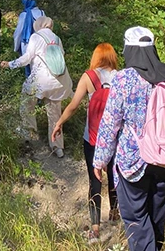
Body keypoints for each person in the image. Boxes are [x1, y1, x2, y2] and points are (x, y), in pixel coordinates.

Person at [93, 27, 165, 251]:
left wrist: (99, 160)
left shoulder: (124, 79)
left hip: (134, 161)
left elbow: (109, 124)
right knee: (156, 214)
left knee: (136, 217)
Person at [51, 43, 120, 242]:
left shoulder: (89, 76)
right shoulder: (121, 76)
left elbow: (73, 106)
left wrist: (59, 123)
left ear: (96, 57)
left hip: (92, 137)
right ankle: (115, 214)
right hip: (115, 137)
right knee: (114, 176)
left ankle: (95, 229)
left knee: (94, 180)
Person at [0, 16, 72, 158]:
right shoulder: (57, 39)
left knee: (27, 102)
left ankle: (29, 133)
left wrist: (10, 64)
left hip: (40, 80)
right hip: (59, 81)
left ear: (38, 25)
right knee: (55, 114)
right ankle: (57, 147)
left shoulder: (36, 37)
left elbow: (27, 58)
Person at [13, 0, 45, 78]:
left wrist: (16, 48)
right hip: (42, 48)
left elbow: (18, 33)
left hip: (27, 48)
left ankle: (30, 91)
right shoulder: (42, 13)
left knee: (29, 74)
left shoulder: (24, 15)